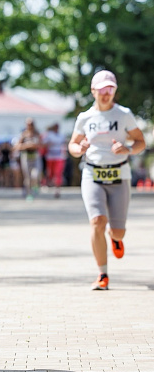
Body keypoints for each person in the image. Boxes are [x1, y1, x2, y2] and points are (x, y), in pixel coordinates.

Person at [68, 70, 145, 290]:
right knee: (97, 222)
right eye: (102, 90)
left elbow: (140, 142)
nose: (106, 94)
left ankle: (116, 237)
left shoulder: (123, 115)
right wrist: (79, 148)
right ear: (93, 91)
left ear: (115, 91)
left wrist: (127, 149)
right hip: (93, 174)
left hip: (119, 175)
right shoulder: (85, 117)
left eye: (110, 89)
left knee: (118, 230)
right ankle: (102, 274)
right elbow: (72, 146)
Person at [15, 118, 42, 200]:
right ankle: (28, 193)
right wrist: (27, 145)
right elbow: (17, 146)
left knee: (35, 174)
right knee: (27, 177)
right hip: (26, 156)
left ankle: (35, 186)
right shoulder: (23, 134)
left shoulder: (37, 134)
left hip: (35, 156)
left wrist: (34, 145)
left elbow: (41, 144)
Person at [43, 123, 67, 198]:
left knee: (58, 173)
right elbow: (44, 144)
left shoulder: (61, 136)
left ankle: (57, 189)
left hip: (59, 157)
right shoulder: (49, 135)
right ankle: (48, 183)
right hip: (50, 157)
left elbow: (64, 144)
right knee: (50, 173)